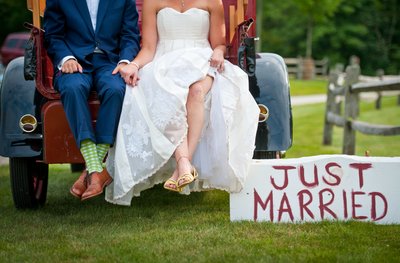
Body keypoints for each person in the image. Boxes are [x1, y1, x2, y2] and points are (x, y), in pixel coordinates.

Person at [105, 0, 259, 205]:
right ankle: (184, 164)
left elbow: (219, 43)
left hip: (201, 60)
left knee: (195, 91)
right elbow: (149, 48)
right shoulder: (153, 2)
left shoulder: (213, 2)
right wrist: (134, 64)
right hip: (164, 62)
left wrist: (219, 52)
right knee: (169, 93)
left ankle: (183, 164)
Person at [43, 0, 141, 201]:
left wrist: (124, 61)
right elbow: (53, 35)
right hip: (75, 62)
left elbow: (130, 35)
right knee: (72, 87)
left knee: (116, 89)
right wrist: (66, 58)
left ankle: (91, 167)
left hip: (110, 62)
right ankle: (97, 171)